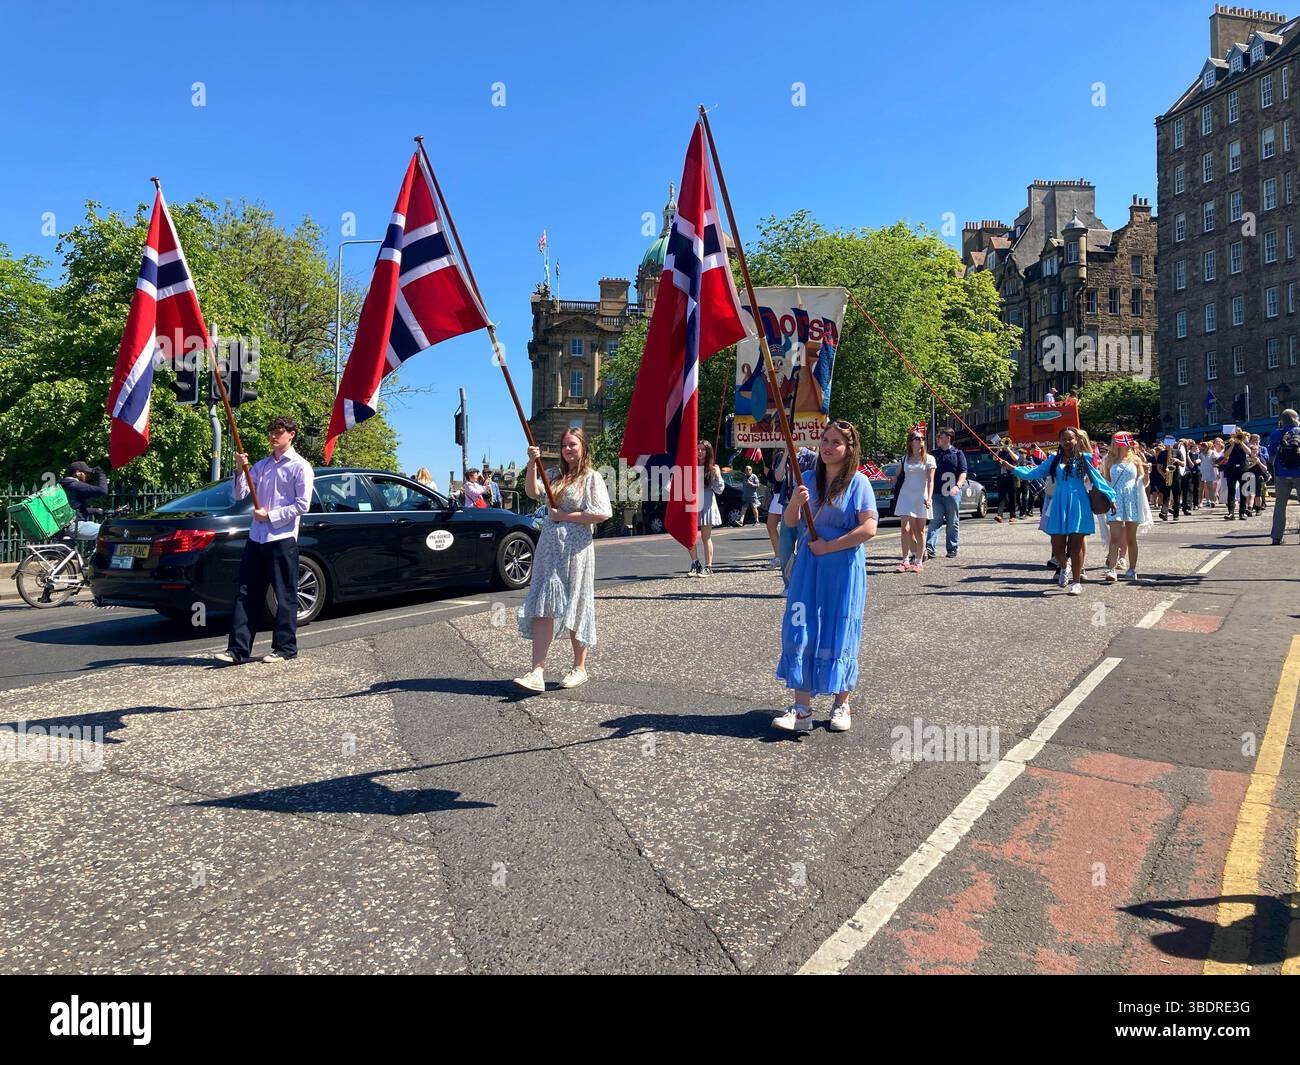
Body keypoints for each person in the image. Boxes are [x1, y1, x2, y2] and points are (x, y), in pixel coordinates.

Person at [772, 420, 878, 734]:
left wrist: (831, 546)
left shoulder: (859, 483)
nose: (828, 447)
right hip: (809, 564)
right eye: (825, 440)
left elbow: (869, 528)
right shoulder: (806, 478)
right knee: (800, 627)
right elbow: (790, 522)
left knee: (839, 628)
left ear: (849, 450)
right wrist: (795, 502)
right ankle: (801, 709)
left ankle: (841, 703)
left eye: (836, 443)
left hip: (842, 565)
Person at [514, 428, 612, 692]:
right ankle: (537, 672)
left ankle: (579, 668)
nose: (568, 449)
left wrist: (564, 516)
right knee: (544, 605)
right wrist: (532, 463)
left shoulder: (591, 477)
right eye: (564, 445)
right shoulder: (555, 476)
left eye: (573, 444)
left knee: (577, 604)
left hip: (576, 549)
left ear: (583, 447)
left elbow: (602, 512)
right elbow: (533, 491)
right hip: (549, 548)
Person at [215, 416, 314, 665]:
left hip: (281, 538)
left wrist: (270, 515)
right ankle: (237, 650)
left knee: (285, 594)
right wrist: (240, 470)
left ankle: (285, 647)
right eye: (271, 431)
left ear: (291, 434)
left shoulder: (300, 466)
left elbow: (302, 504)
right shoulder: (262, 465)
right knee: (247, 592)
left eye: (278, 432)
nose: (273, 436)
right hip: (256, 538)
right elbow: (239, 494)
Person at [997, 426, 1116, 596]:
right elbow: (1034, 473)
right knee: (1057, 546)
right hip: (1059, 502)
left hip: (1079, 503)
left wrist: (1111, 497)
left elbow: (1098, 480)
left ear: (1076, 440)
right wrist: (1013, 468)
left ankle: (1076, 582)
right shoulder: (1053, 460)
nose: (1067, 442)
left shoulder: (1084, 458)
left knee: (1075, 546)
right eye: (1064, 439)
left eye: (1071, 438)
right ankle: (1063, 565)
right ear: (1060, 441)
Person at [1101, 432, 1151, 582]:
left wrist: (1147, 473)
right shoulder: (1109, 459)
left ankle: (1132, 569)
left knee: (1131, 538)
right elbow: (1106, 481)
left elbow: (1143, 482)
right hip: (1115, 500)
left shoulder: (1136, 459)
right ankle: (1111, 569)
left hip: (1131, 500)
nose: (1127, 442)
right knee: (1114, 537)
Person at [770, 445, 818, 582]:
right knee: (785, 545)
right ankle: (788, 583)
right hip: (788, 502)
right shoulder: (781, 456)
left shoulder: (810, 456)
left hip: (806, 505)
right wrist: (786, 454)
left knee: (804, 543)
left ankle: (804, 581)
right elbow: (778, 477)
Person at [892, 431, 934, 572]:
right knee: (905, 528)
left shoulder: (929, 459)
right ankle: (905, 560)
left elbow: (930, 480)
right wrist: (893, 479)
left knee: (920, 530)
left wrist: (929, 498)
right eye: (917, 438)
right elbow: (897, 475)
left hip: (921, 496)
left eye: (922, 438)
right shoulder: (905, 458)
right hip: (906, 495)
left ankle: (918, 561)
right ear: (910, 442)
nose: (921, 440)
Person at [924, 427, 967, 559]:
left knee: (952, 521)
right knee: (934, 521)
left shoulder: (958, 453)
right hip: (936, 493)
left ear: (948, 438)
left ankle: (952, 548)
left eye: (939, 437)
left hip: (952, 493)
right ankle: (930, 549)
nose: (937, 439)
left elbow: (963, 472)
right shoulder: (933, 454)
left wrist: (958, 486)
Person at [687, 440, 723, 577]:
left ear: (708, 452)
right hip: (693, 503)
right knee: (690, 536)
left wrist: (718, 475)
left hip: (707, 503)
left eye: (703, 449)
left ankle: (708, 567)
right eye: (698, 449)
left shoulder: (713, 468)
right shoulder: (691, 466)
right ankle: (695, 563)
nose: (700, 452)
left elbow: (720, 490)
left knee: (705, 537)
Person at [1268, 408, 1300, 543]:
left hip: (1282, 472)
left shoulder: (1277, 433)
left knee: (1280, 505)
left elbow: (1271, 452)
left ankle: (1277, 537)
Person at [60, 460, 109, 539]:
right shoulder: (76, 485)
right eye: (86, 473)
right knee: (109, 531)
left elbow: (74, 508)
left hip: (65, 527)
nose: (88, 476)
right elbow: (103, 491)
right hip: (75, 526)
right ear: (77, 472)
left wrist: (96, 510)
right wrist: (101, 473)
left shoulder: (63, 485)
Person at [1218, 431, 1250, 520]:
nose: (1237, 435)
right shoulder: (1229, 443)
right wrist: (1232, 445)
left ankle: (1242, 513)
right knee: (1231, 491)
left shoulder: (1245, 442)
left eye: (1239, 434)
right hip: (1231, 468)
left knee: (1243, 491)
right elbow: (1225, 455)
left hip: (1243, 468)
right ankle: (1231, 513)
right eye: (1236, 433)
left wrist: (1241, 442)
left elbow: (1249, 452)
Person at [993, 439, 1020, 523]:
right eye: (1005, 443)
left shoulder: (1014, 451)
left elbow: (1016, 459)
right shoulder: (1000, 453)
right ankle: (999, 515)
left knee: (1012, 496)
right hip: (1001, 476)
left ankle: (1013, 516)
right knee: (1001, 496)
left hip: (1011, 476)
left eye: (1007, 443)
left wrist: (1009, 450)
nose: (1005, 444)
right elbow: (994, 458)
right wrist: (998, 450)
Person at [1199, 438, 1222, 507]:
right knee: (1201, 487)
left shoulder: (1212, 452)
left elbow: (1218, 459)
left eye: (1204, 447)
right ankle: (1200, 502)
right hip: (1201, 470)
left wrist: (1215, 464)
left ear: (1208, 447)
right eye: (1202, 447)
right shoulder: (1200, 453)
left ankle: (1212, 501)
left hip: (1209, 471)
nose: (1203, 449)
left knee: (1210, 487)